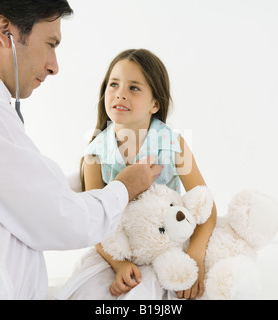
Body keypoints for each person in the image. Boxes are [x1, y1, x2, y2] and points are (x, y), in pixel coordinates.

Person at [0, 1, 161, 299]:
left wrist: (87, 181)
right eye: (50, 44)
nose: (53, 66)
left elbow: (8, 196)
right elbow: (60, 220)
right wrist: (124, 187)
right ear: (6, 30)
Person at [56, 49, 217, 300]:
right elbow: (95, 220)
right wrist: (118, 264)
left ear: (155, 104)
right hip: (122, 250)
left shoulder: (173, 146)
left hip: (168, 245)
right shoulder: (95, 155)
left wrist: (196, 255)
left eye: (134, 88)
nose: (120, 93)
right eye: (114, 84)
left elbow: (206, 208)